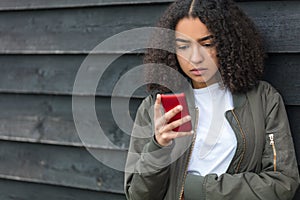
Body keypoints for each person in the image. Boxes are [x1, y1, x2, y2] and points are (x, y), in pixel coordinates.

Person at [124, 0, 300, 199]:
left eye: (207, 44)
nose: (195, 58)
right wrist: (158, 146)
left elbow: (283, 182)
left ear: (228, 43)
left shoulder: (263, 98)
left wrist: (197, 188)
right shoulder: (157, 106)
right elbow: (138, 195)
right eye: (183, 46)